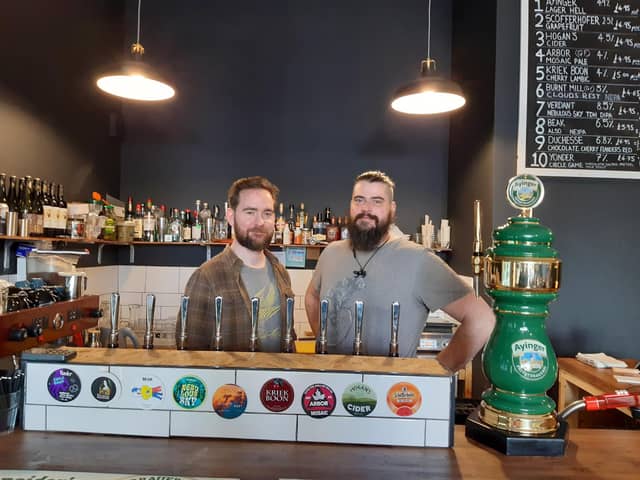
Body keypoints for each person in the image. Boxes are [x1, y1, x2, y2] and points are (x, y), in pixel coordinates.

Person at [305, 171, 495, 372]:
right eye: (359, 200)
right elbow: (311, 297)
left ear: (392, 209)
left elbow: (482, 319)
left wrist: (438, 371)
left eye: (377, 201)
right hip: (331, 385)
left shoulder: (418, 259)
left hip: (393, 393)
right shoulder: (330, 253)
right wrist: (324, 340)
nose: (366, 209)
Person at [177, 176, 295, 351]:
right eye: (250, 212)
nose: (260, 222)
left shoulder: (280, 272)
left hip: (276, 378)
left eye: (267, 213)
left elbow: (289, 337)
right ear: (231, 217)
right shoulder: (206, 277)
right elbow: (188, 351)